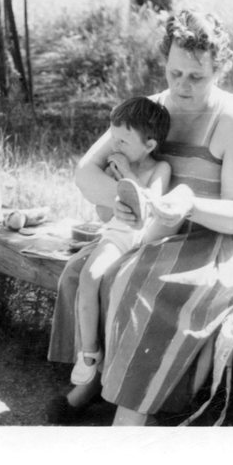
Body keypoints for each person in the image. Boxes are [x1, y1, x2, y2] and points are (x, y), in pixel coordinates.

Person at [46, 9, 233, 426]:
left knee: (142, 283)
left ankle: (132, 416)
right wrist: (129, 201)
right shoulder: (149, 112)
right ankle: (97, 379)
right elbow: (85, 172)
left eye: (196, 76)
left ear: (219, 70)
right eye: (175, 73)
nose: (182, 86)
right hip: (157, 231)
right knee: (83, 272)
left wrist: (189, 204)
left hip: (220, 242)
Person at [70, 96, 175, 386]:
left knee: (131, 290)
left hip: (148, 240)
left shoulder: (160, 169)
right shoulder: (112, 169)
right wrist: (113, 197)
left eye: (123, 142)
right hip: (119, 236)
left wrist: (127, 176)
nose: (114, 147)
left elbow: (152, 204)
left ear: (149, 146)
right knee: (90, 277)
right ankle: (89, 352)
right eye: (113, 139)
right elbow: (105, 215)